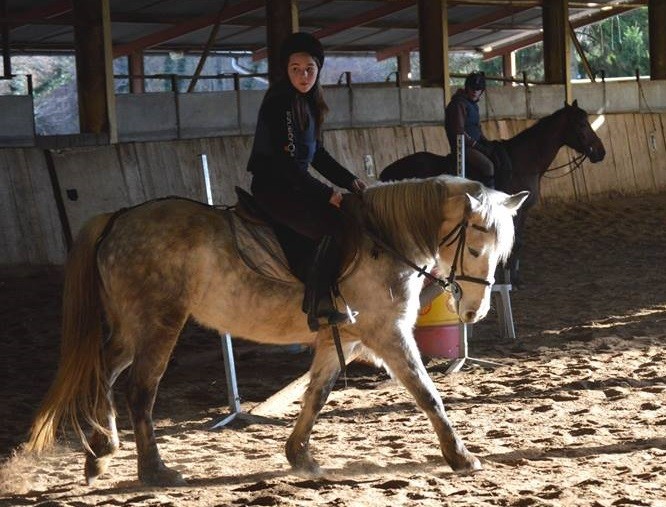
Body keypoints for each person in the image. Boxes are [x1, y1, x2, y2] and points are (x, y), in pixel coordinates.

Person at [246, 32, 366, 332]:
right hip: (275, 187)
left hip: (295, 184)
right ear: (286, 71)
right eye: (295, 69)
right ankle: (318, 304)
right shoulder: (281, 103)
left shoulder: (309, 103)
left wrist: (351, 182)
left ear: (319, 69)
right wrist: (328, 193)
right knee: (331, 226)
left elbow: (317, 155)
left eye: (310, 68)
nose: (303, 75)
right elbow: (287, 165)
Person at [444, 71, 495, 188]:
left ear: (482, 91)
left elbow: (477, 128)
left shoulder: (473, 105)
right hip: (462, 147)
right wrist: (476, 145)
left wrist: (485, 142)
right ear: (467, 87)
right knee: (488, 166)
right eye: (472, 88)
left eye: (478, 89)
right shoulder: (459, 104)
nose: (475, 91)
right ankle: (490, 196)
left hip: (473, 144)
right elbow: (459, 131)